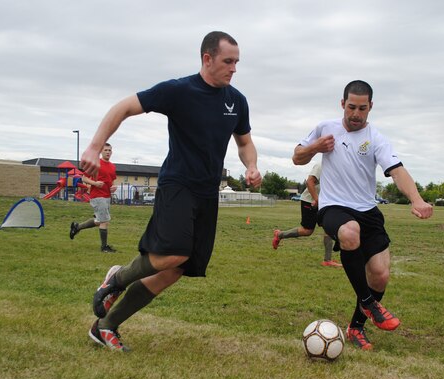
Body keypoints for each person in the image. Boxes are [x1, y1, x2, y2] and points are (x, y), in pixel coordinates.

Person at [81, 31, 262, 352]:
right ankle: (117, 279)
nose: (234, 68)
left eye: (237, 62)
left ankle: (106, 326)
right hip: (177, 185)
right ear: (207, 58)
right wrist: (95, 147)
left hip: (208, 194)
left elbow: (245, 142)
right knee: (174, 254)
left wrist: (251, 166)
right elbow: (122, 107)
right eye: (228, 61)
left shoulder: (238, 101)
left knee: (175, 270)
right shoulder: (179, 90)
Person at [292, 80, 433, 351]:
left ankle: (356, 327)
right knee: (349, 231)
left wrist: (417, 199)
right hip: (334, 206)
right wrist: (316, 147)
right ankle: (369, 303)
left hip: (368, 210)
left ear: (371, 107)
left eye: (362, 108)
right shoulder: (325, 128)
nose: (356, 114)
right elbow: (297, 157)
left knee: (380, 275)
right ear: (342, 104)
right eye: (351, 107)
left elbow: (396, 169)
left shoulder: (376, 138)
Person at [272, 163, 342, 267]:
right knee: (307, 230)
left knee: (328, 228)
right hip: (310, 201)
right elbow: (309, 182)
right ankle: (280, 235)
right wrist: (316, 199)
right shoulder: (321, 166)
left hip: (323, 202)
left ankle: (327, 260)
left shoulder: (336, 168)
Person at [70, 143, 117, 253]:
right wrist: (95, 183)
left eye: (110, 150)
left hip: (106, 196)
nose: (108, 152)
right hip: (97, 196)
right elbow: (84, 178)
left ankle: (77, 227)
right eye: (106, 150)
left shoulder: (112, 166)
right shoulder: (96, 164)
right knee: (104, 221)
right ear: (101, 151)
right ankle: (104, 247)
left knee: (98, 221)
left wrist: (112, 188)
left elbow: (111, 181)